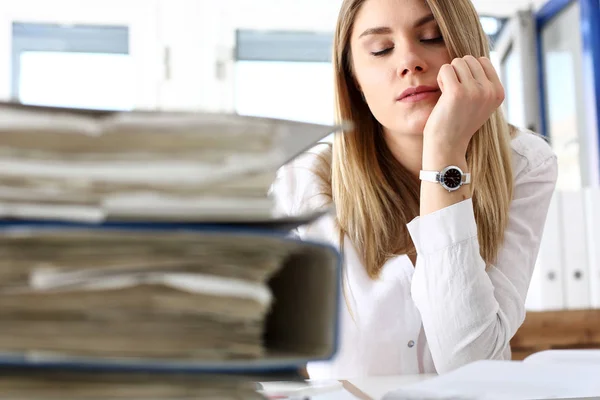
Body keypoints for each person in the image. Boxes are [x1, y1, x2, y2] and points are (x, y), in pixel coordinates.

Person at [272, 0, 558, 379]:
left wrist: (443, 155)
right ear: (353, 78)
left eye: (432, 37)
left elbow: (471, 369)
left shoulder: (525, 164)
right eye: (381, 50)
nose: (409, 61)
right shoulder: (299, 187)